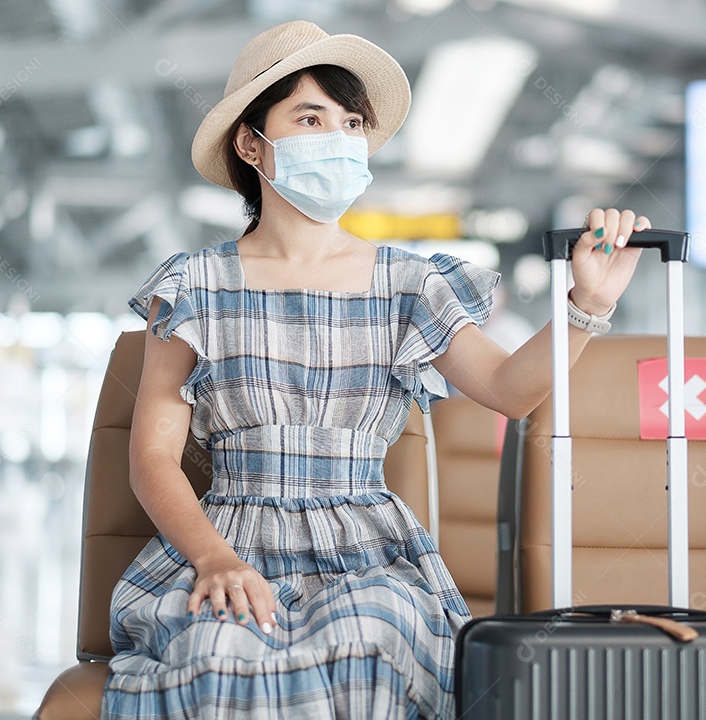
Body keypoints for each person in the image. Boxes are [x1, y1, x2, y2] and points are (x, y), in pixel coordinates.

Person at [102, 20, 650, 720]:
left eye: (350, 121)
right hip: (227, 537)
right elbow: (151, 456)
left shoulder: (409, 285)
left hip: (366, 548)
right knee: (218, 651)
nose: (337, 136)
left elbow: (514, 391)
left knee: (372, 640)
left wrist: (586, 304)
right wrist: (215, 560)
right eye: (310, 117)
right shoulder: (194, 285)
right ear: (250, 143)